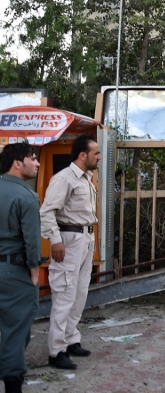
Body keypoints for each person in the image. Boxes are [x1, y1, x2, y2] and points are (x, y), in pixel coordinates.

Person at [39, 134, 101, 370]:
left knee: (79, 292)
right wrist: (55, 240)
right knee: (65, 293)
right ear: (82, 155)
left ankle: (71, 338)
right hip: (69, 238)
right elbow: (47, 211)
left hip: (85, 238)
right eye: (95, 153)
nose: (98, 157)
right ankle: (56, 351)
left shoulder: (87, 177)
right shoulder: (64, 178)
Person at [0, 143, 42, 393]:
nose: (36, 163)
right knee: (16, 331)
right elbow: (32, 241)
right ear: (18, 162)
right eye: (33, 158)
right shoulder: (26, 195)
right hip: (14, 272)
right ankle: (12, 384)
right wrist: (34, 272)